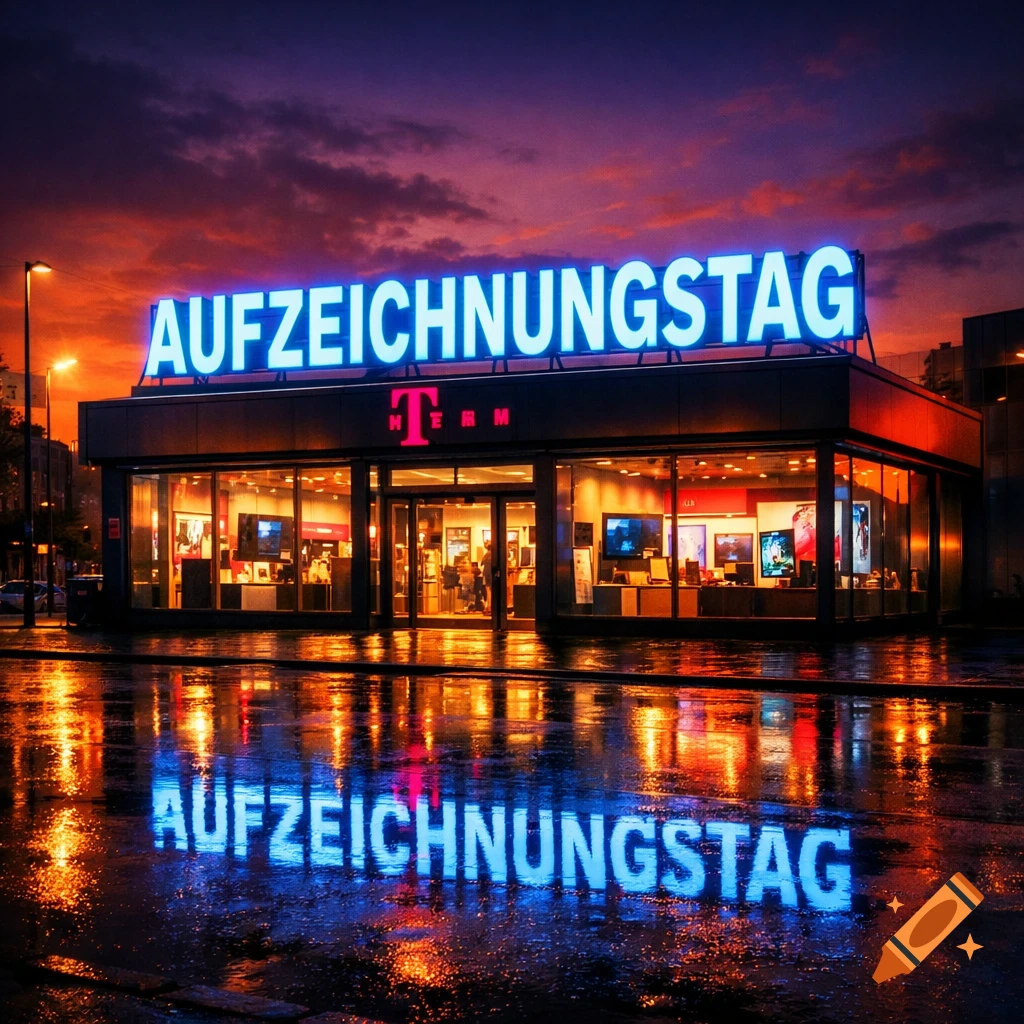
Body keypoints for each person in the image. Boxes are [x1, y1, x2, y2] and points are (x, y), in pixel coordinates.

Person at [481, 541, 493, 613]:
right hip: (492, 574)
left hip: (486, 573)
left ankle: (488, 606)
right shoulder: (494, 555)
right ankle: (491, 607)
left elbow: (481, 563)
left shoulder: (485, 555)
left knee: (488, 590)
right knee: (493, 590)